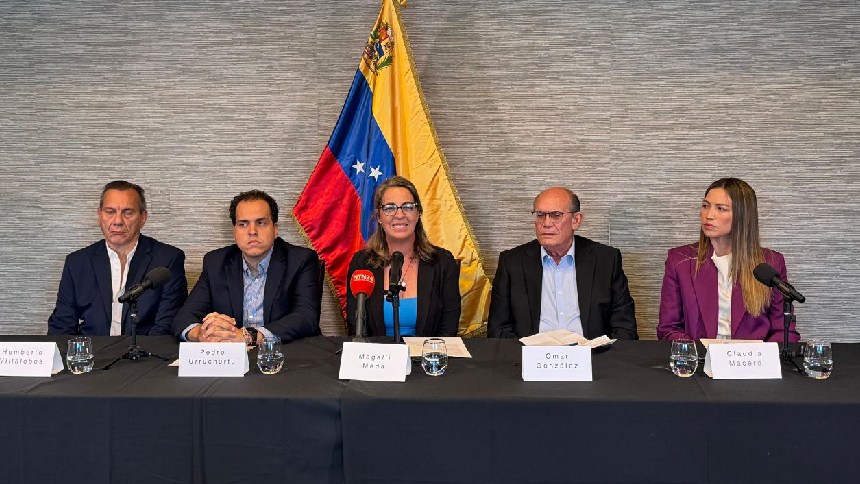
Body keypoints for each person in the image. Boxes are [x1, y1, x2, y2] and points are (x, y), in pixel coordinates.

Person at [658, 178, 800, 342]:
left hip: (752, 356)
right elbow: (668, 328)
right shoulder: (680, 260)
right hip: (698, 355)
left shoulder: (770, 263)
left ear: (742, 216)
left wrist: (761, 355)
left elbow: (783, 331)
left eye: (721, 209)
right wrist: (693, 352)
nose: (709, 215)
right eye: (705, 206)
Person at [173, 190, 322, 344]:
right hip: (231, 354)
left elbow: (306, 317)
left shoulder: (300, 260)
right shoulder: (216, 262)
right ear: (235, 231)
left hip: (285, 353)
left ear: (275, 229)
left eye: (261, 223)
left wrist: (249, 336)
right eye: (243, 224)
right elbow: (184, 316)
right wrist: (202, 333)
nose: (252, 231)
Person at [487, 187, 637, 340]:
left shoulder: (606, 260)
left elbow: (625, 328)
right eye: (540, 215)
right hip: (531, 353)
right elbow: (498, 330)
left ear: (576, 220)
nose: (546, 223)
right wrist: (526, 352)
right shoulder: (512, 263)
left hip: (591, 353)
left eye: (556, 215)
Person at [48, 181, 187, 336]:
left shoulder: (168, 259)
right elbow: (62, 325)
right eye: (110, 212)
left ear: (143, 218)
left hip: (144, 350)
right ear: (99, 215)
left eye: (128, 213)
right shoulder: (77, 263)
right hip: (93, 350)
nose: (118, 221)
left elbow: (166, 326)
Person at [346, 176, 461, 337]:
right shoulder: (362, 263)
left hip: (428, 352)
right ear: (379, 216)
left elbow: (448, 330)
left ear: (418, 213)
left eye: (407, 207)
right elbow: (356, 327)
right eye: (389, 208)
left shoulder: (442, 263)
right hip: (377, 352)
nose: (399, 215)